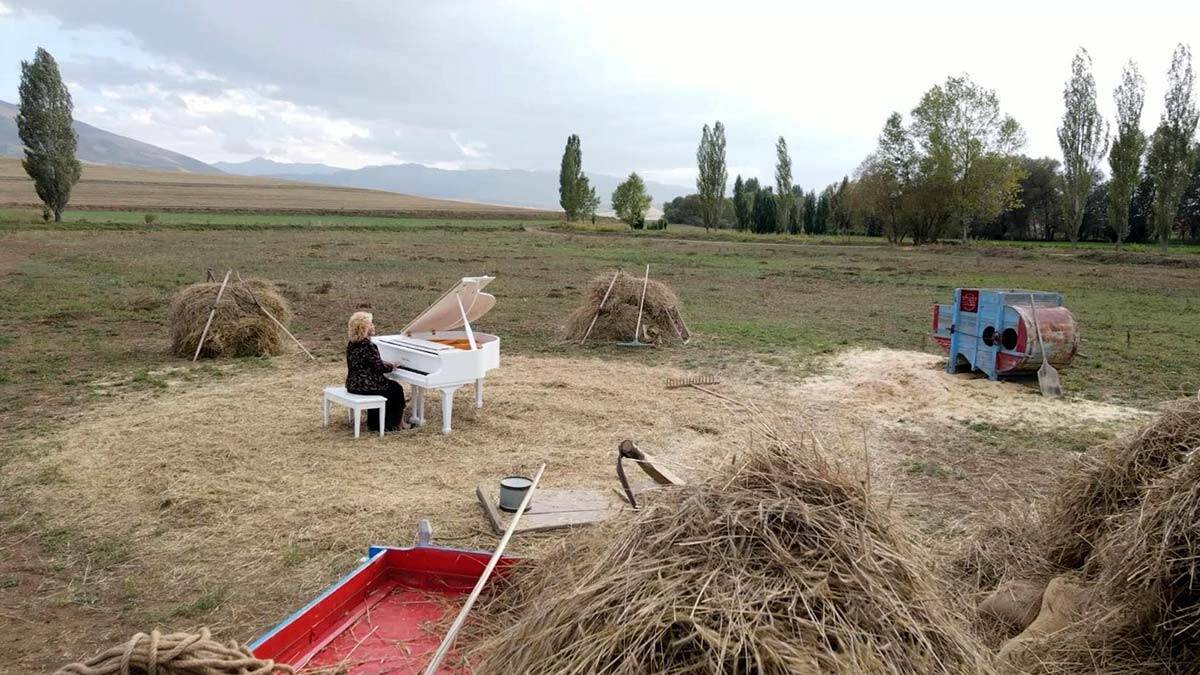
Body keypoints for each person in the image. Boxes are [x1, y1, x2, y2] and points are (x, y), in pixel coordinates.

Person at [345, 311, 408, 432]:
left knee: (390, 387)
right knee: (396, 388)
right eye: (370, 324)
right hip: (366, 386)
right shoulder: (368, 346)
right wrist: (392, 366)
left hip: (353, 385)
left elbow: (368, 363)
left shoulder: (352, 343)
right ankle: (394, 424)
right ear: (364, 328)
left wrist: (385, 363)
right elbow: (379, 368)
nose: (373, 326)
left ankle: (375, 423)